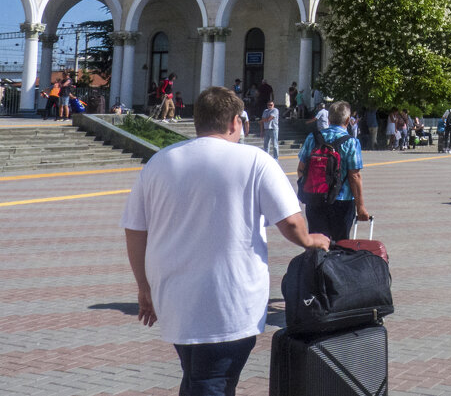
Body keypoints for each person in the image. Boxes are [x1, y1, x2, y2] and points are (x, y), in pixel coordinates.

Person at [121, 86, 330, 396]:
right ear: (235, 121)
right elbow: (291, 222)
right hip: (230, 302)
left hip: (175, 300)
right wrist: (311, 240)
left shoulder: (159, 163)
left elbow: (135, 230)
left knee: (198, 378)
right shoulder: (255, 161)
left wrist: (144, 287)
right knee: (211, 384)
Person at [296, 101, 371, 240]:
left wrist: (308, 188)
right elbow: (354, 176)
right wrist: (360, 207)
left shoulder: (313, 137)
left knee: (318, 246)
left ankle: (318, 262)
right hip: (341, 201)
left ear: (329, 119)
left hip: (315, 198)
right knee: (341, 246)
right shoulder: (351, 142)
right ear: (348, 120)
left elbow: (301, 168)